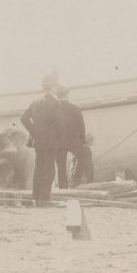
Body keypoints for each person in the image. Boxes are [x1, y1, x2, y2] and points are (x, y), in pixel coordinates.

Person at [20, 74, 63, 206]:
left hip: (39, 142)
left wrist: (34, 131)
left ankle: (36, 196)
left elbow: (23, 118)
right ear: (51, 87)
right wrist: (58, 137)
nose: (57, 88)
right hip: (51, 141)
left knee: (39, 168)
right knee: (49, 168)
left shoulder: (35, 102)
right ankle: (45, 199)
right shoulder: (54, 102)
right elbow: (60, 123)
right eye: (55, 85)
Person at [56, 86, 87, 188]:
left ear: (57, 96)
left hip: (59, 141)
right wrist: (82, 141)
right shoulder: (75, 108)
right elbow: (81, 125)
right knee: (81, 157)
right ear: (67, 95)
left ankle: (62, 187)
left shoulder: (53, 109)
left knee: (60, 165)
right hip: (73, 139)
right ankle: (75, 180)